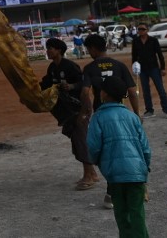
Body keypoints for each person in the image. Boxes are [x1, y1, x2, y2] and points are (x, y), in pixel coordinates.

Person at [81, 33, 141, 210]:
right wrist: (137, 113)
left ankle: (111, 191)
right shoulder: (119, 65)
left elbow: (84, 92)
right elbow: (132, 91)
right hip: (120, 111)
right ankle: (133, 186)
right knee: (126, 147)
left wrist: (87, 110)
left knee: (107, 151)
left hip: (101, 113)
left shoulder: (90, 68)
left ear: (93, 48)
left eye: (88, 49)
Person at [87, 75, 151, 238]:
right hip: (136, 173)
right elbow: (145, 148)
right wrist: (145, 169)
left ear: (105, 94)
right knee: (137, 214)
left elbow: (93, 147)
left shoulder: (98, 117)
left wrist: (98, 162)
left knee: (122, 215)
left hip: (114, 174)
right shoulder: (133, 117)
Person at [40, 37, 99, 190]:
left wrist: (71, 86)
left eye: (50, 48)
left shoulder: (70, 66)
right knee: (76, 140)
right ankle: (92, 173)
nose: (48, 51)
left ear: (59, 50)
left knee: (81, 140)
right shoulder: (52, 67)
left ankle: (88, 176)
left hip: (79, 107)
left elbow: (84, 83)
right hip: (66, 109)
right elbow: (45, 84)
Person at [131, 23, 167, 118]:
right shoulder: (135, 41)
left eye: (143, 29)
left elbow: (160, 54)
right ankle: (149, 110)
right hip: (142, 69)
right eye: (139, 29)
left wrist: (163, 68)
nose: (140, 31)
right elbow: (134, 56)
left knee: (161, 90)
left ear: (147, 30)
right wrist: (134, 68)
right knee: (146, 91)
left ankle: (166, 110)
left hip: (154, 68)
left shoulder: (153, 40)